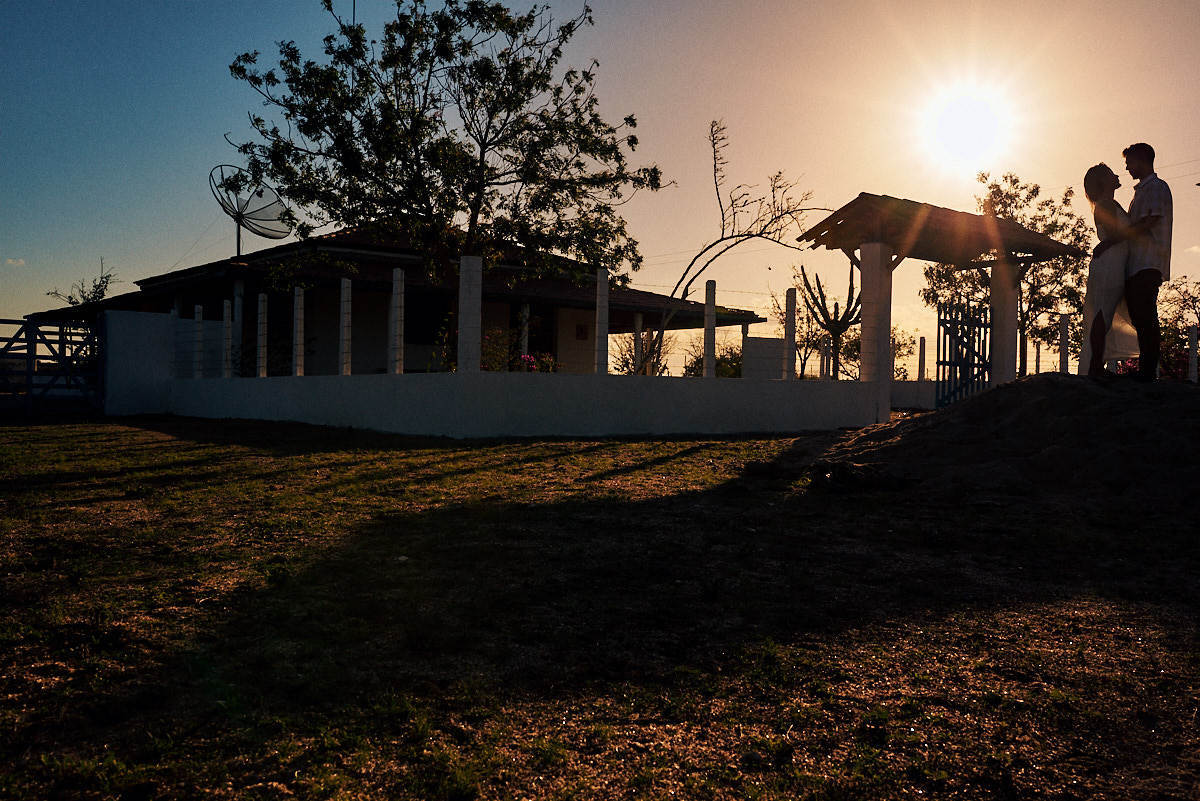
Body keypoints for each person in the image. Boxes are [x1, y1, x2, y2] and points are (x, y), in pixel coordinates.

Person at [1094, 143, 1172, 381]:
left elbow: (1149, 222)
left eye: (1129, 162)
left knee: (1145, 317)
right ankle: (1145, 371)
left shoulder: (1156, 188)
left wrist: (1113, 240)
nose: (1126, 168)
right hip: (1135, 263)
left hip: (1148, 262)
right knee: (1140, 316)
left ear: (1140, 160)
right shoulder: (1141, 192)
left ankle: (1148, 373)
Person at [1080, 164, 1139, 378]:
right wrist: (1141, 227)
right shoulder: (1105, 204)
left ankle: (1097, 364)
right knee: (1103, 313)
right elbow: (1115, 234)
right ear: (1104, 181)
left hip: (1115, 261)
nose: (1116, 175)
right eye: (1111, 173)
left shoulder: (1111, 203)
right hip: (1110, 263)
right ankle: (1095, 365)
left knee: (1105, 312)